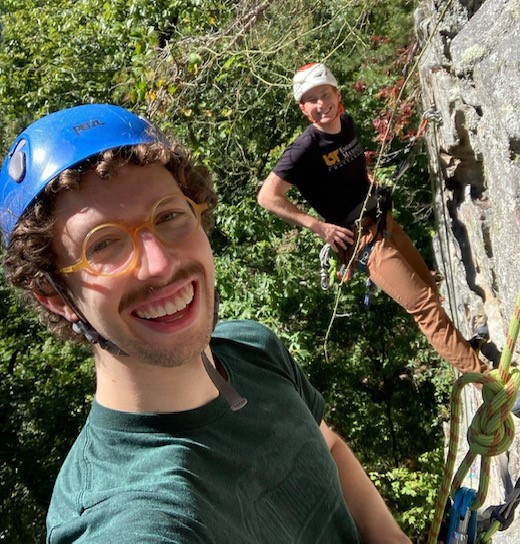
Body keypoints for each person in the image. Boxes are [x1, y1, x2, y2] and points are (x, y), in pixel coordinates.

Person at [0, 104, 411, 543]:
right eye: (103, 246)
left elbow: (328, 449)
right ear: (56, 297)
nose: (159, 265)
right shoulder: (126, 515)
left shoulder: (254, 351)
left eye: (169, 216)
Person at [257, 62, 490, 378]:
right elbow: (267, 196)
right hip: (362, 242)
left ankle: (464, 352)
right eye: (311, 100)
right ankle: (488, 384)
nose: (320, 104)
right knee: (423, 305)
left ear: (337, 95)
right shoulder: (304, 148)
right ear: (303, 109)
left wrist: (367, 181)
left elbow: (349, 170)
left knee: (429, 292)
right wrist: (318, 226)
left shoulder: (347, 123)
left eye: (324, 94)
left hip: (384, 222)